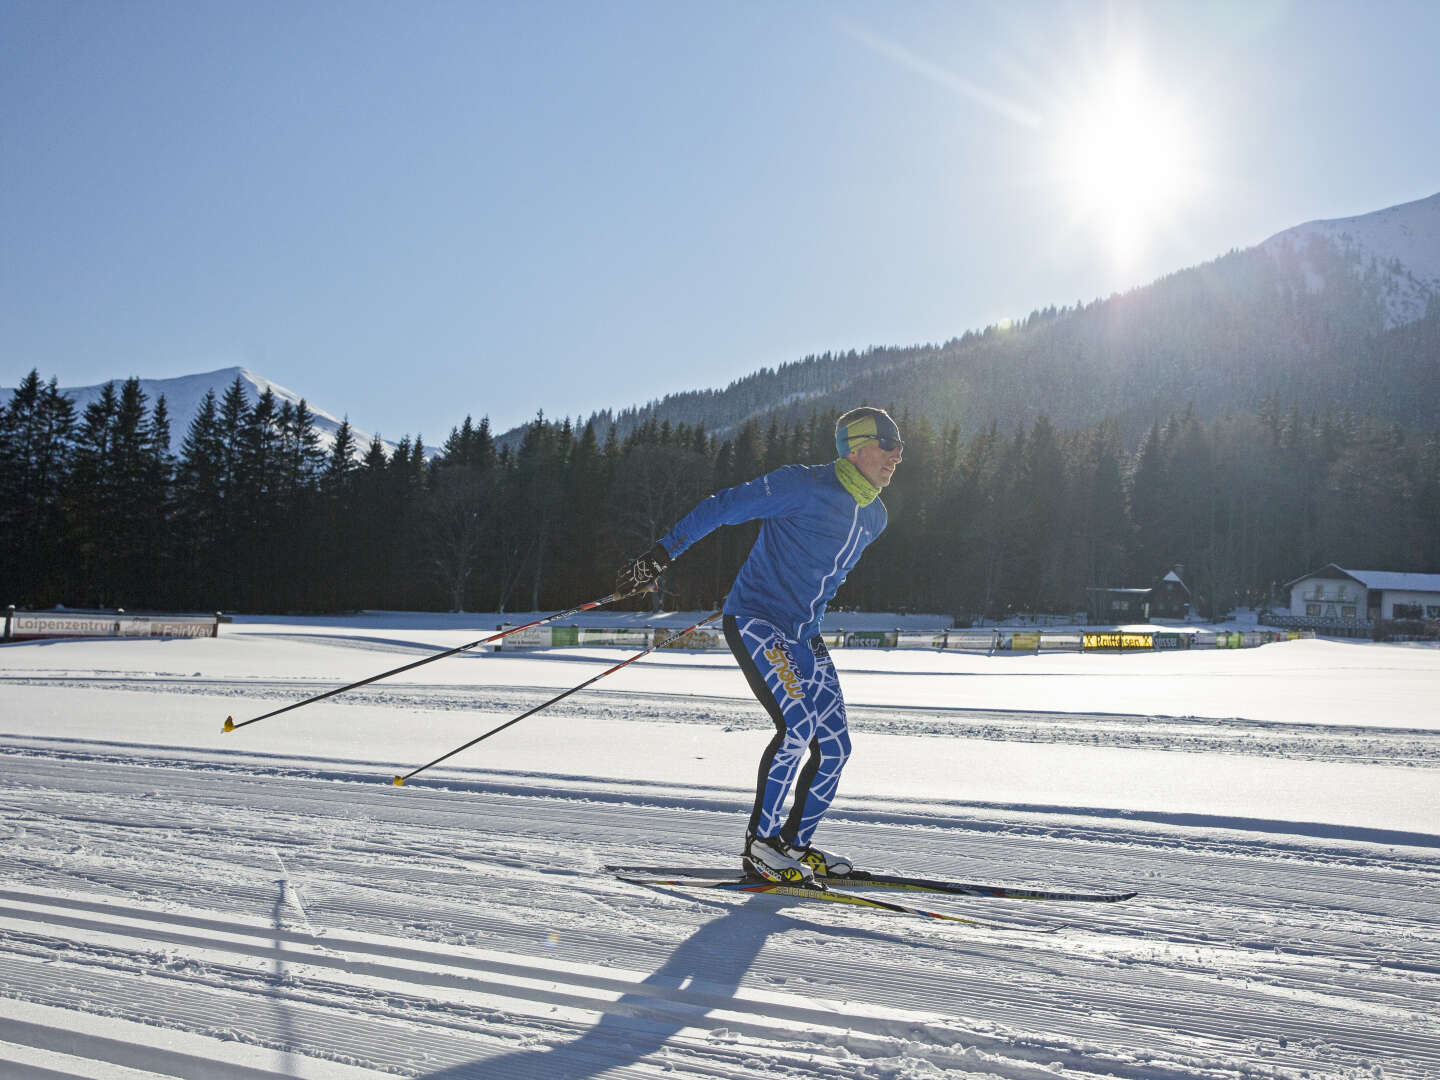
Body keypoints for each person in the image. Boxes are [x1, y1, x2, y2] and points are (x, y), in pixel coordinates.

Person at [616, 407, 904, 883]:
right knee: (798, 726)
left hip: (803, 634)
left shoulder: (876, 516)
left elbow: (819, 574)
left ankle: (795, 844)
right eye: (888, 443)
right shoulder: (803, 485)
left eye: (901, 446)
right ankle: (760, 845)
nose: (897, 455)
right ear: (855, 447)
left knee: (835, 747)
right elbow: (724, 506)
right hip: (757, 620)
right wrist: (662, 554)